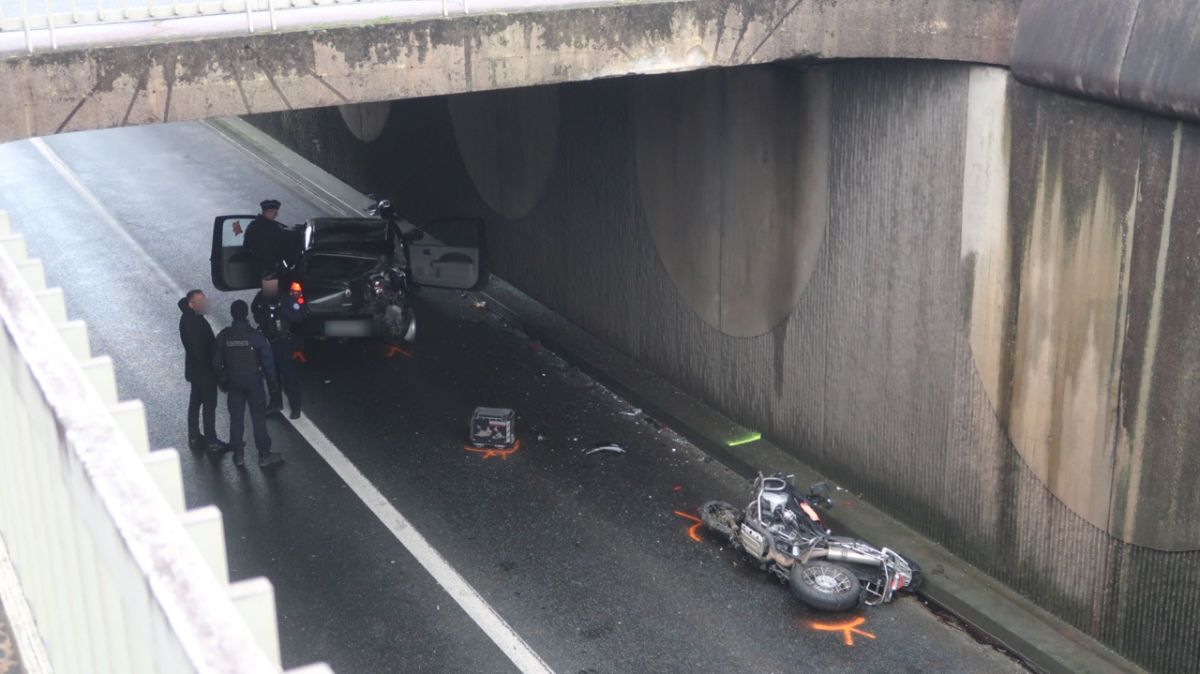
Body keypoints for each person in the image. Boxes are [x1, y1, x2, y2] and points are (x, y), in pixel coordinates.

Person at [212, 300, 285, 468]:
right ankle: (264, 455)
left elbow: (216, 362)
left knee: (236, 419)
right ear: (246, 314)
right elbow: (268, 361)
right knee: (258, 419)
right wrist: (272, 382)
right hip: (253, 382)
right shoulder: (255, 336)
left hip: (234, 382)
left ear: (232, 314)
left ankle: (238, 455)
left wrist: (222, 380)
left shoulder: (224, 336)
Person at [178, 290, 225, 453]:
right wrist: (214, 366)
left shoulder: (190, 318)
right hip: (205, 373)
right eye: (201, 302)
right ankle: (211, 441)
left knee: (195, 402)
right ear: (191, 304)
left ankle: (194, 434)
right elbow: (200, 349)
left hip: (195, 371)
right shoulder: (193, 321)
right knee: (209, 406)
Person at [252, 275, 303, 419]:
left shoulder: (286, 299)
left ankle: (295, 407)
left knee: (289, 376)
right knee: (271, 374)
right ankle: (275, 402)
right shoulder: (261, 298)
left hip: (284, 341)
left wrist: (281, 310)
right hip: (269, 341)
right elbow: (255, 309)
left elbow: (298, 317)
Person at [243, 199, 293, 281]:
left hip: (258, 265)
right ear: (268, 212)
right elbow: (284, 238)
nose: (276, 215)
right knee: (270, 291)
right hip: (268, 268)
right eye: (274, 212)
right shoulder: (271, 227)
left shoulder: (254, 225)